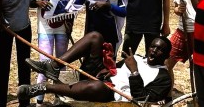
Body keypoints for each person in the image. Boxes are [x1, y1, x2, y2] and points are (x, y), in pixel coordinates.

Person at [20, 32, 171, 103]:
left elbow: (142, 99)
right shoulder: (137, 58)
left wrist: (134, 71)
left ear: (166, 55)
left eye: (159, 50)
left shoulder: (163, 78)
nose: (153, 51)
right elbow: (116, 70)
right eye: (152, 47)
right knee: (95, 37)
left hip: (111, 94)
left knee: (97, 87)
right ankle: (53, 66)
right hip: (101, 77)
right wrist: (109, 68)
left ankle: (45, 87)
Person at [31, 0, 79, 107]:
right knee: (44, 66)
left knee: (59, 65)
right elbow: (30, 0)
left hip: (62, 28)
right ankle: (39, 105)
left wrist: (70, 25)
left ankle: (59, 102)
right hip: (44, 27)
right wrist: (38, 2)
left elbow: (73, 6)